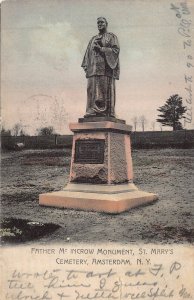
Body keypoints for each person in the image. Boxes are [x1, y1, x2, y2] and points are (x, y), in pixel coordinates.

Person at [81, 17, 120, 117]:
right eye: (98, 22)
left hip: (105, 69)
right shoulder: (93, 39)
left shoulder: (111, 37)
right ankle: (92, 110)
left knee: (104, 91)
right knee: (91, 91)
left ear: (106, 24)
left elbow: (116, 51)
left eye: (102, 22)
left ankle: (105, 112)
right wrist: (86, 65)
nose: (99, 24)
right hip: (93, 70)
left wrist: (101, 49)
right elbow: (87, 54)